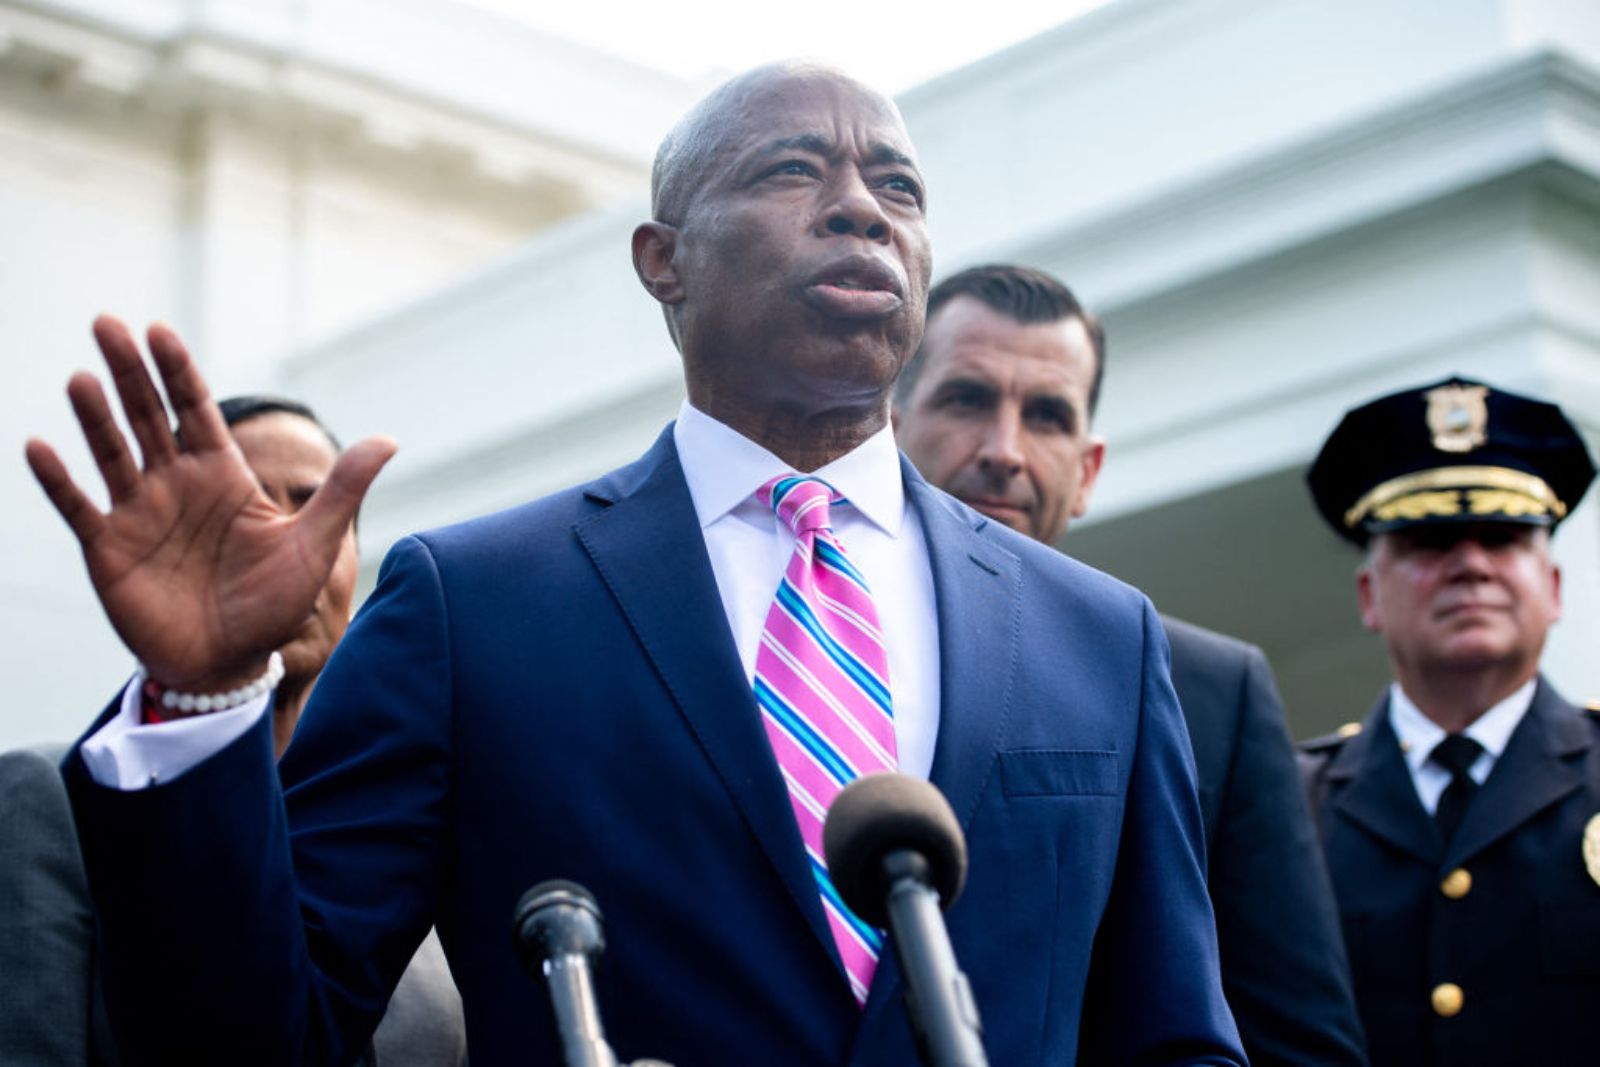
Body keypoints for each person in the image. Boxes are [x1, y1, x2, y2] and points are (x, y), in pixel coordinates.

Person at [28, 64, 1244, 1065]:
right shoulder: (476, 605)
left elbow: (1177, 1041)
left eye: (898, 186)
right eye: (791, 171)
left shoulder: (1100, 633)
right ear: (663, 258)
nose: (862, 207)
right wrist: (200, 702)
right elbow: (256, 1037)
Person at [893, 263, 1367, 1066]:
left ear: (1088, 470)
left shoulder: (1214, 694)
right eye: (967, 398)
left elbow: (1297, 1041)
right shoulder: (806, 646)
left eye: (1047, 415)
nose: (1004, 450)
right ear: (892, 425)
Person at [0, 397, 467, 1067]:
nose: (277, 538)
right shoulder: (49, 799)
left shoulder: (413, 833)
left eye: (311, 506)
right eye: (244, 507)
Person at [1299, 376, 1599, 1066]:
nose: (1470, 564)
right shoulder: (1286, 804)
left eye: (1502, 537)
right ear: (1370, 595)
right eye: (1428, 541)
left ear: (1552, 586)